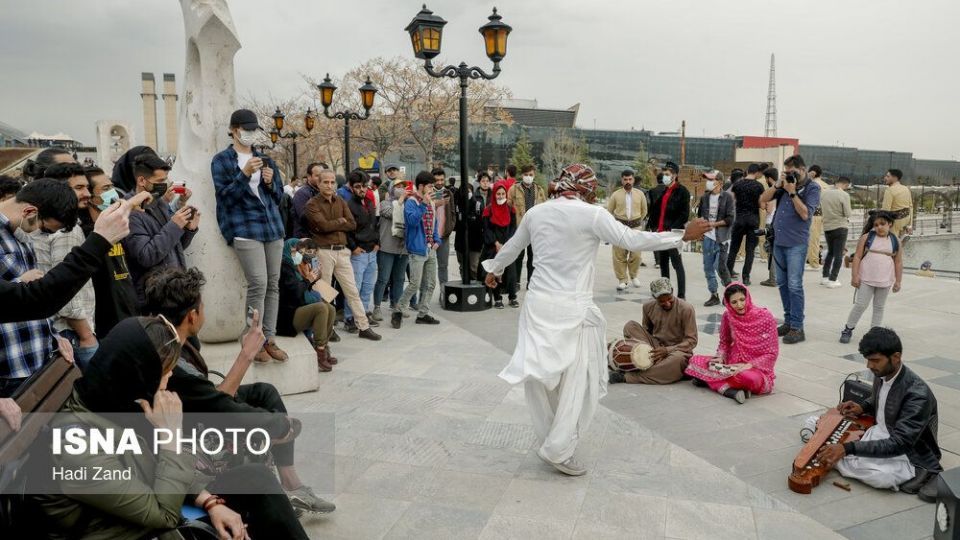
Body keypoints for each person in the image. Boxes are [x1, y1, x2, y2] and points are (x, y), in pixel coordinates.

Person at [482, 164, 709, 476]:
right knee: (580, 380)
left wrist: (493, 269)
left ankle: (552, 438)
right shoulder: (592, 214)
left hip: (537, 305)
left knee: (540, 378)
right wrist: (682, 236)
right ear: (586, 189)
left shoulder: (537, 212)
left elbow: (513, 247)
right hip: (573, 309)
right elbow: (633, 240)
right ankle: (558, 448)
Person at [36, 316, 310, 539]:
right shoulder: (76, 445)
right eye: (164, 372)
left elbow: (156, 466)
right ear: (136, 374)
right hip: (129, 530)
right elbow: (162, 515)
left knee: (255, 478)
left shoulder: (118, 403)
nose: (168, 380)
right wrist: (170, 437)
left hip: (148, 512)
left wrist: (209, 502)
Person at [144, 267, 337, 514]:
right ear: (192, 316)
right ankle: (264, 494)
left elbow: (208, 398)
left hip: (197, 407)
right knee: (259, 423)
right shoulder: (173, 364)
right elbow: (216, 406)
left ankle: (291, 483)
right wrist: (246, 355)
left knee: (263, 392)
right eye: (202, 306)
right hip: (186, 431)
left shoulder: (174, 338)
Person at [817, 327, 941, 502]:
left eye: (875, 360)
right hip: (878, 433)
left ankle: (839, 458)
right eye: (868, 360)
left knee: (882, 478)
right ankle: (840, 458)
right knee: (814, 423)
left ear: (896, 357)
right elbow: (880, 399)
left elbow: (900, 443)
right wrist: (862, 407)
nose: (869, 366)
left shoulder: (917, 394)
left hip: (907, 452)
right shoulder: (883, 372)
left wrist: (847, 449)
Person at [211, 108, 289, 362]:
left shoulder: (266, 160)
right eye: (246, 129)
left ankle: (270, 338)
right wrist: (243, 175)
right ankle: (251, 338)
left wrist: (270, 183)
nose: (250, 134)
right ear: (234, 130)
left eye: (254, 130)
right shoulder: (222, 160)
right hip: (244, 228)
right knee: (258, 283)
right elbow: (225, 198)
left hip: (272, 228)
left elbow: (278, 199)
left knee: (273, 284)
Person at [0, 179, 78, 398]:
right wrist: (19, 284)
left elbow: (35, 297)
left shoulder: (19, 233)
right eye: (43, 229)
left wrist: (53, 335)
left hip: (36, 358)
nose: (41, 236)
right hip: (9, 371)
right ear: (29, 211)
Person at [28, 163, 100, 368]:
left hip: (60, 329)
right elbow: (66, 288)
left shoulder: (48, 223)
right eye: (78, 188)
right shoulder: (67, 230)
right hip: (72, 331)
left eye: (86, 187)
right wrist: (86, 336)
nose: (87, 193)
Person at [304, 168, 381, 341]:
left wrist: (336, 224)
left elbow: (352, 224)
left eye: (332, 182)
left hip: (342, 252)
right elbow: (323, 226)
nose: (329, 185)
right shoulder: (312, 204)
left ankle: (363, 326)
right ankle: (327, 329)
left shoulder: (340, 200)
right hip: (324, 252)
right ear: (319, 183)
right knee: (325, 293)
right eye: (326, 182)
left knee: (352, 291)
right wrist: (340, 222)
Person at [759, 155, 821, 344]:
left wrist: (793, 193)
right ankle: (788, 321)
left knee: (795, 285)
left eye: (792, 172)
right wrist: (778, 185)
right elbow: (762, 199)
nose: (789, 175)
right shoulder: (784, 185)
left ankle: (797, 327)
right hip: (779, 241)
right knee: (783, 284)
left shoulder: (813, 188)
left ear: (803, 169)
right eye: (786, 172)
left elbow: (805, 214)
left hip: (796, 243)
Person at [123, 153, 200, 306]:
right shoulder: (131, 211)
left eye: (166, 180)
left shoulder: (159, 203)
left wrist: (189, 229)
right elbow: (146, 256)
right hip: (154, 295)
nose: (165, 185)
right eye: (160, 181)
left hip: (173, 289)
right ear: (141, 180)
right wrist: (175, 225)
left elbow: (174, 247)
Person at [685, 283, 778, 404]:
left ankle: (711, 382)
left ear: (748, 297)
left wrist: (749, 365)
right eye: (734, 302)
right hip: (730, 365)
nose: (739, 305)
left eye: (742, 300)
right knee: (694, 361)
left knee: (750, 378)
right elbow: (725, 342)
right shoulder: (728, 316)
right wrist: (720, 357)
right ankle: (729, 389)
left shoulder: (765, 317)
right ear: (728, 303)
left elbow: (772, 353)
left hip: (754, 369)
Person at [78, 167, 142, 337]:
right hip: (108, 325)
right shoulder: (86, 235)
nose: (112, 193)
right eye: (105, 189)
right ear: (91, 198)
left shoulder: (117, 229)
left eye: (111, 187)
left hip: (130, 315)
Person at [608, 277, 699, 385]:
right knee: (630, 326)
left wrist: (667, 350)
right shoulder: (648, 307)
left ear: (672, 291)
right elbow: (646, 332)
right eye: (662, 301)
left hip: (677, 351)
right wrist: (646, 350)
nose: (667, 303)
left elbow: (692, 341)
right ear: (654, 297)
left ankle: (629, 377)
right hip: (656, 347)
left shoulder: (686, 308)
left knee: (677, 360)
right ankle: (657, 367)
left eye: (669, 299)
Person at [839, 210, 903, 344]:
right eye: (876, 225)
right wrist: (854, 276)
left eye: (882, 224)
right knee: (861, 305)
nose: (879, 227)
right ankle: (848, 328)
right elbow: (857, 256)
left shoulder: (895, 240)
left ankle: (874, 334)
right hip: (866, 277)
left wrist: (898, 281)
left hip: (885, 279)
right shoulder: (867, 237)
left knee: (879, 307)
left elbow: (898, 261)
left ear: (890, 224)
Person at [391, 171, 442, 328]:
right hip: (417, 249)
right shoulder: (411, 202)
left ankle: (423, 313)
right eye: (430, 186)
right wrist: (424, 204)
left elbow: (433, 222)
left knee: (431, 283)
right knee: (415, 284)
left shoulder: (431, 202)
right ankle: (398, 310)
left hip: (430, 248)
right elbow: (412, 221)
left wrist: (437, 240)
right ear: (421, 186)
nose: (432, 189)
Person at [277, 239, 337, 370]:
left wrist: (312, 277)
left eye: (302, 252)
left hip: (297, 308)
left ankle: (322, 348)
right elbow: (295, 293)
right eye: (297, 251)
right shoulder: (284, 267)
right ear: (289, 250)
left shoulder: (294, 265)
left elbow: (304, 290)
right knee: (321, 307)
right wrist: (308, 279)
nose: (300, 255)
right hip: (287, 317)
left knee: (330, 308)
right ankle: (319, 353)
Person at [343, 170, 380, 333]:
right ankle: (350, 317)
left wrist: (377, 242)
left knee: (367, 287)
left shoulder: (370, 202)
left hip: (372, 250)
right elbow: (346, 230)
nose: (362, 189)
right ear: (351, 188)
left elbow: (375, 224)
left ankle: (363, 314)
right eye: (358, 187)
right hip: (358, 252)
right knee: (354, 288)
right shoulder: (349, 205)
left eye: (364, 186)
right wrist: (353, 247)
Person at [647, 161, 691, 299]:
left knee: (677, 264)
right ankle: (666, 291)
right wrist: (653, 226)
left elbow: (684, 214)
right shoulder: (665, 191)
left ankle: (681, 294)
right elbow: (657, 211)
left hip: (673, 234)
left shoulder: (682, 191)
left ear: (675, 175)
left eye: (667, 174)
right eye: (664, 174)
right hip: (661, 234)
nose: (664, 176)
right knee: (663, 263)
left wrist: (672, 230)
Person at [697, 170, 735, 307]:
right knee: (708, 268)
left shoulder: (728, 197)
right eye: (707, 179)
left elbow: (730, 219)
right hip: (707, 237)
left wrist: (714, 224)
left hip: (722, 238)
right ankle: (714, 294)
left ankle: (730, 294)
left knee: (720, 267)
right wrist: (699, 230)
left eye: (711, 179)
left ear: (720, 182)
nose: (708, 182)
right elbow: (701, 216)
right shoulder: (704, 198)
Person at [606, 169, 648, 291]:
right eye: (625, 179)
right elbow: (609, 212)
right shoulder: (615, 195)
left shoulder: (640, 194)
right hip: (620, 228)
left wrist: (637, 221)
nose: (628, 182)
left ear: (633, 180)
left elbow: (644, 210)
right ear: (622, 180)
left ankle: (634, 276)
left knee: (636, 254)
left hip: (635, 228)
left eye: (630, 179)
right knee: (619, 255)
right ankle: (622, 280)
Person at [373, 183, 409, 321]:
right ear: (391, 189)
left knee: (399, 279)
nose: (402, 189)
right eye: (398, 186)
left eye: (404, 186)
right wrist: (400, 200)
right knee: (383, 278)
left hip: (403, 248)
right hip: (387, 247)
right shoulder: (385, 203)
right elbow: (389, 213)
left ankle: (396, 305)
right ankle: (377, 307)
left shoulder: (409, 204)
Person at [479, 181, 518, 309]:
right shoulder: (488, 210)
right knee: (495, 271)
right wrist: (495, 243)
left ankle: (512, 297)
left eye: (503, 193)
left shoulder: (510, 209)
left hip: (508, 245)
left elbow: (513, 228)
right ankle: (497, 298)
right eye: (498, 194)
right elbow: (486, 229)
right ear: (494, 194)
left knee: (511, 272)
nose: (501, 196)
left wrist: (507, 244)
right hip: (493, 246)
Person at [507, 164, 546, 289]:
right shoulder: (514, 189)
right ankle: (517, 281)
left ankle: (531, 282)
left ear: (534, 175)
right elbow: (508, 208)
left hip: (534, 229)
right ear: (522, 175)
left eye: (531, 175)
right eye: (526, 175)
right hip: (519, 228)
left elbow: (545, 209)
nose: (528, 177)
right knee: (518, 256)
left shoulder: (539, 190)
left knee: (533, 257)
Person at [727, 163, 766, 285]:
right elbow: (761, 204)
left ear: (747, 171)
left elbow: (730, 201)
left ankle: (727, 273)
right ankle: (746, 277)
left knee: (734, 248)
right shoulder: (759, 186)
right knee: (750, 251)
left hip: (739, 219)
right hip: (753, 220)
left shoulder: (737, 184)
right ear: (757, 173)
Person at [820, 176, 853, 288]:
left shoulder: (824, 193)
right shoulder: (844, 195)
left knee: (830, 252)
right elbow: (848, 213)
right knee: (838, 254)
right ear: (846, 184)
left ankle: (825, 277)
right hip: (840, 226)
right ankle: (833, 279)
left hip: (827, 227)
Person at [454, 175, 486, 281]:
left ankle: (477, 288)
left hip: (475, 242)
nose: (466, 194)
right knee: (463, 267)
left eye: (469, 191)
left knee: (473, 267)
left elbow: (482, 223)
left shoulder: (477, 205)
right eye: (464, 191)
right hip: (460, 242)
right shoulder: (457, 206)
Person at [431, 168, 457, 286]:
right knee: (428, 268)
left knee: (443, 266)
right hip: (429, 237)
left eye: (442, 180)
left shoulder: (448, 193)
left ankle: (443, 292)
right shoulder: (428, 192)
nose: (440, 182)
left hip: (444, 236)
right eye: (437, 180)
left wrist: (450, 228)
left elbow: (452, 213)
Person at [291, 162, 327, 238]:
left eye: (322, 175)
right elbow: (305, 218)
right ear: (309, 177)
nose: (321, 178)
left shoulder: (323, 192)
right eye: (317, 176)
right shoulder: (301, 194)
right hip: (305, 238)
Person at [805, 165, 830, 269]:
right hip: (821, 214)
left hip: (812, 214)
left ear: (813, 173)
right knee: (815, 239)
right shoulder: (826, 186)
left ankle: (813, 262)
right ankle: (812, 260)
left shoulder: (811, 184)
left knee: (812, 240)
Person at [759, 167, 779, 287]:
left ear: (769, 178)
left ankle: (773, 279)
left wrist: (764, 204)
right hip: (779, 223)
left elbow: (769, 208)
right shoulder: (782, 188)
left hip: (771, 222)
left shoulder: (773, 190)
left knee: (772, 252)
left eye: (766, 178)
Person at [881, 169, 913, 238]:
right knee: (900, 245)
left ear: (895, 178)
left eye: (888, 176)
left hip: (894, 223)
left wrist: (881, 226)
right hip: (906, 220)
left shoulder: (889, 190)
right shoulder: (906, 189)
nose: (885, 178)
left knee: (892, 244)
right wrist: (910, 224)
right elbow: (910, 207)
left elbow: (885, 211)